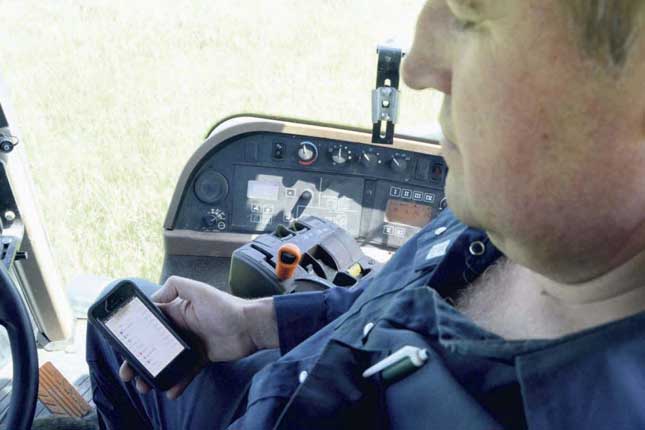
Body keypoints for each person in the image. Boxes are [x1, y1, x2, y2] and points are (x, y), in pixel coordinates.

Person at [85, 0, 645, 428]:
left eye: (472, 15)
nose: (419, 67)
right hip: (279, 379)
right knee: (115, 319)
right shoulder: (512, 212)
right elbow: (382, 297)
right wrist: (252, 324)